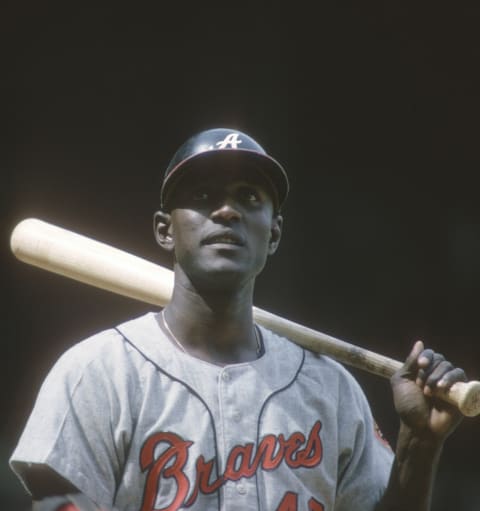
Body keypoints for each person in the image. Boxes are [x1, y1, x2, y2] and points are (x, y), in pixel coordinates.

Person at [10, 128, 467, 511]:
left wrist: (420, 445)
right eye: (204, 196)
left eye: (248, 197)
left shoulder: (331, 389)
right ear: (165, 230)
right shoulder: (97, 374)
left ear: (274, 234)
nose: (227, 211)